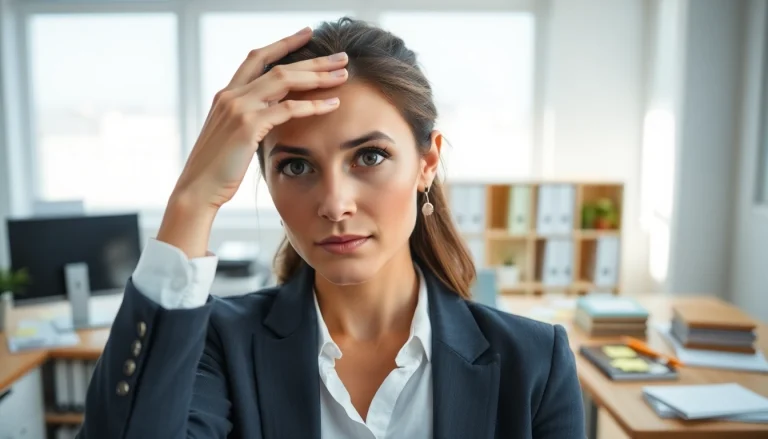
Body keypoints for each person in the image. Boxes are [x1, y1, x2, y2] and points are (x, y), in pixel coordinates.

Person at [79, 17, 585, 439]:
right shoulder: (217, 343)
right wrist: (192, 201)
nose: (335, 204)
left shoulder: (535, 362)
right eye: (296, 167)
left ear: (427, 162)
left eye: (370, 156)